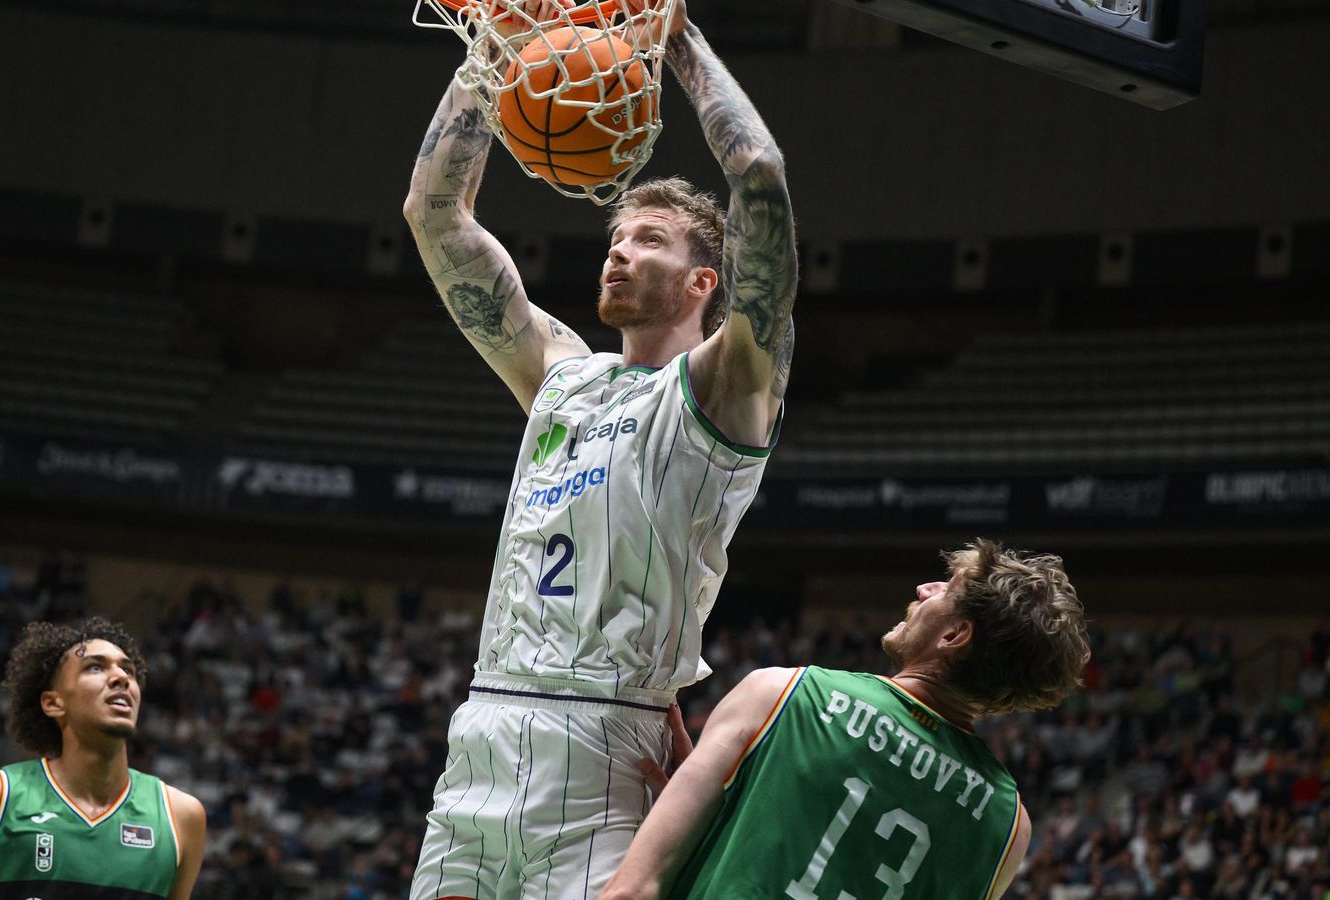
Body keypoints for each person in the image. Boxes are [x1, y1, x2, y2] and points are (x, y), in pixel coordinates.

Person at [401, 0, 797, 894]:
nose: (617, 255)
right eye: (614, 239)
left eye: (647, 241)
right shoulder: (559, 374)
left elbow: (762, 177)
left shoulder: (724, 390)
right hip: (486, 726)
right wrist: (496, 52)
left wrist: (682, 47)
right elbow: (434, 210)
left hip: (609, 749)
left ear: (705, 281)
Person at [599, 539, 1092, 900]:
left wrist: (684, 822)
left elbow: (631, 892)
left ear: (955, 636)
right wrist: (723, 818)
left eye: (946, 589)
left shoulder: (783, 694)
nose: (924, 588)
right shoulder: (1009, 829)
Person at [0, 618, 205, 899]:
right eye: (95, 667)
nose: (121, 677)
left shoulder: (181, 816)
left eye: (128, 670)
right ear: (53, 703)